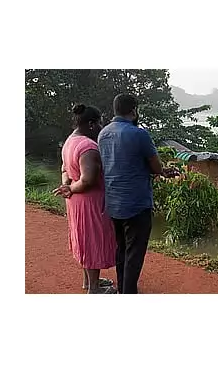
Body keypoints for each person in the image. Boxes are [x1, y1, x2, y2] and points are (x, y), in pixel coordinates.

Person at [97, 94, 173, 294]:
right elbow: (156, 167)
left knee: (121, 250)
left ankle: (123, 290)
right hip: (136, 205)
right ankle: (129, 293)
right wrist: (162, 170)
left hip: (113, 204)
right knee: (134, 254)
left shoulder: (103, 134)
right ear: (134, 110)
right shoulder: (139, 134)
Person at [52, 104, 117, 294]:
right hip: (89, 202)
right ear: (90, 124)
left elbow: (65, 169)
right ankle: (94, 289)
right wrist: (71, 187)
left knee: (83, 239)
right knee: (92, 241)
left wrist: (67, 186)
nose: (101, 127)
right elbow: (88, 180)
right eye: (99, 123)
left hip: (75, 200)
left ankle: (88, 281)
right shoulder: (89, 147)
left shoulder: (70, 141)